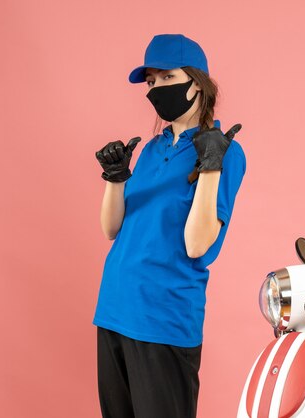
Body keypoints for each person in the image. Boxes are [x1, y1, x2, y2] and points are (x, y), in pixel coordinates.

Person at [92, 34, 246, 418]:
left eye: (167, 77)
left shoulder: (225, 151)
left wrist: (210, 167)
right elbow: (112, 230)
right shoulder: (150, 148)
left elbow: (197, 245)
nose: (156, 89)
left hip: (163, 318)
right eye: (151, 81)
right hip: (114, 307)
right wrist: (115, 177)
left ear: (198, 83)